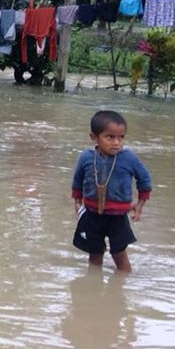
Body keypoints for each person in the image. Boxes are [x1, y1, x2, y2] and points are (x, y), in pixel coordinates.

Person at [70, 110, 152, 272]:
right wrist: (78, 202)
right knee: (94, 253)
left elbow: (145, 180)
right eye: (110, 137)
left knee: (119, 253)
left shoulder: (129, 158)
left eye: (121, 137)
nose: (116, 143)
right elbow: (77, 181)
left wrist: (140, 204)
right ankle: (94, 284)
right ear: (94, 137)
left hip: (118, 217)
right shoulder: (87, 157)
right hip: (93, 214)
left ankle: (123, 283)